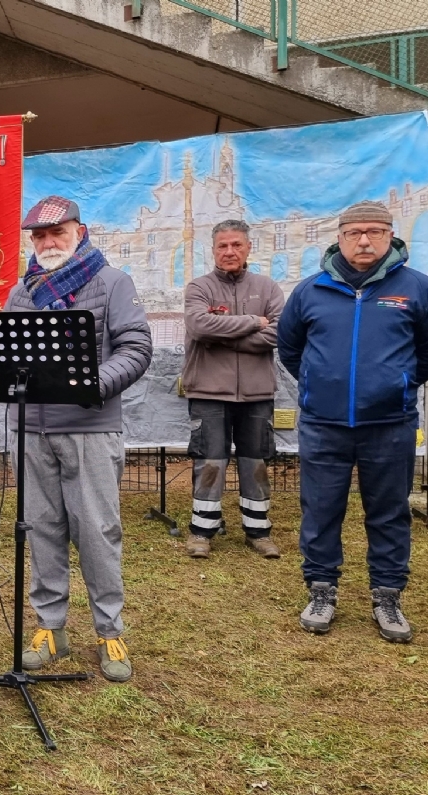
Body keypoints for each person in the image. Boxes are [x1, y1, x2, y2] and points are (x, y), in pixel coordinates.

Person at [7, 196, 152, 682]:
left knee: (96, 531)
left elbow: (136, 348)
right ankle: (51, 628)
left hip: (90, 427)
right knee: (42, 528)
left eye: (57, 232)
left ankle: (109, 629)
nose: (48, 242)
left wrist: (92, 385)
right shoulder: (22, 291)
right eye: (39, 236)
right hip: (31, 429)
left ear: (80, 231)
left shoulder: (112, 282)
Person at [278, 200, 426, 643]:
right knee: (321, 511)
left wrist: (400, 383)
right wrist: (318, 383)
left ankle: (387, 594)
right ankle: (321, 589)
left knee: (389, 512)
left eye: (375, 232)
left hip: (390, 424)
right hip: (324, 424)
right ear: (339, 237)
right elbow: (290, 348)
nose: (364, 240)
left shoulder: (416, 289)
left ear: (391, 236)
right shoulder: (310, 291)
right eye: (355, 232)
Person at [182, 220, 286, 559]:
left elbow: (279, 334)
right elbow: (199, 326)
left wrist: (223, 337)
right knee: (210, 462)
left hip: (257, 393)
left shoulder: (268, 288)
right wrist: (254, 323)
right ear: (212, 250)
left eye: (236, 245)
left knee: (254, 462)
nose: (230, 251)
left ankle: (258, 531)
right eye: (223, 246)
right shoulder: (199, 287)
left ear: (248, 248)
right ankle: (202, 531)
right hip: (208, 392)